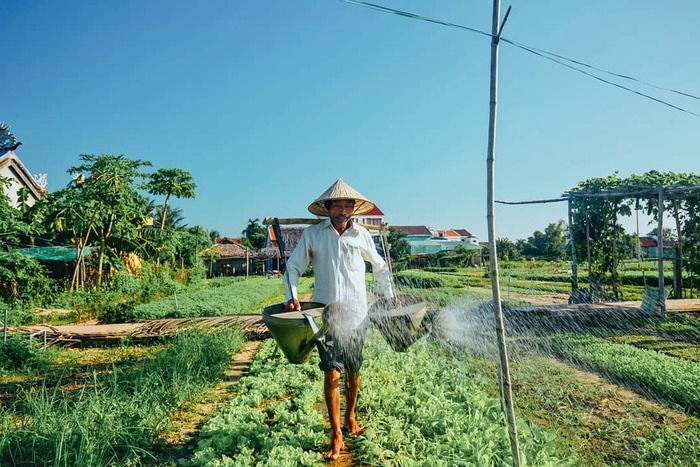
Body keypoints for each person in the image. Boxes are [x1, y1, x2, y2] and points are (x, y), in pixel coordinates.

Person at [284, 178, 395, 461]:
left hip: (357, 314)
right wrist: (292, 295)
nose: (342, 210)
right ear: (327, 208)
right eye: (337, 205)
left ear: (354, 208)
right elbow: (293, 267)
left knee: (353, 372)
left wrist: (390, 295)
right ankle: (336, 434)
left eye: (348, 205)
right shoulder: (313, 235)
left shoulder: (362, 235)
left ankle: (351, 417)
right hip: (328, 315)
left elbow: (380, 268)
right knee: (332, 372)